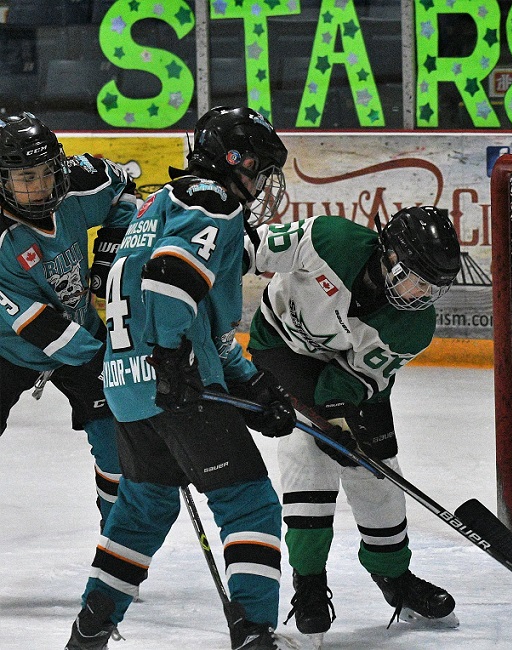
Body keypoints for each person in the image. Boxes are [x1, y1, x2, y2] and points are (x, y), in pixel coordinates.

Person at [66, 106, 296, 650]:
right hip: (172, 384)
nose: (261, 182)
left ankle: (92, 622)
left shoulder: (155, 204)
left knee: (145, 507)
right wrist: (171, 361)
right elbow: (172, 279)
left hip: (124, 387)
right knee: (250, 504)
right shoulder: (211, 200)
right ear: (233, 161)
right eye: (258, 168)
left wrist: (253, 386)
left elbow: (205, 327)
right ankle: (257, 629)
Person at [241, 206, 462, 639]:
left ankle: (394, 577)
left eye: (432, 287)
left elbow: (353, 380)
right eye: (417, 277)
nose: (421, 294)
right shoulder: (329, 240)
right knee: (307, 453)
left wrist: (337, 415)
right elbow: (249, 249)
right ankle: (309, 582)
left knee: (377, 469)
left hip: (346, 372)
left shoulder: (414, 325)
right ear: (390, 254)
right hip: (282, 348)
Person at [0, 111, 135, 529]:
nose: (40, 185)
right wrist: (107, 360)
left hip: (80, 328)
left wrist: (109, 256)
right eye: (26, 178)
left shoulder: (82, 180)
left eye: (45, 172)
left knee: (117, 441)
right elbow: (37, 325)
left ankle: (120, 547)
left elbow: (126, 194)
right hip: (9, 347)